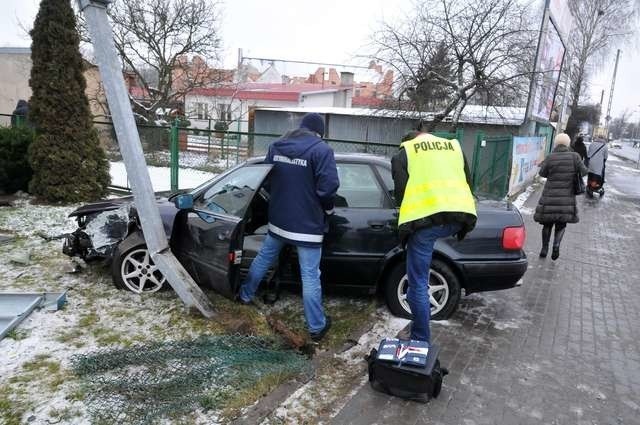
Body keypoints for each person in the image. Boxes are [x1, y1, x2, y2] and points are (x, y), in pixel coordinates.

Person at [237, 113, 339, 342]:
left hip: (279, 220)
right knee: (310, 275)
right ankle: (316, 327)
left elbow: (267, 179)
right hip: (307, 226)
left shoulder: (277, 145)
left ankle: (245, 295)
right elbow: (328, 187)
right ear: (318, 132)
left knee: (263, 258)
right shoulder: (322, 151)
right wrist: (328, 209)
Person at [391, 130, 477, 343]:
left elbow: (401, 193)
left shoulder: (406, 152)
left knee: (417, 283)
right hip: (459, 215)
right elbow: (467, 180)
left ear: (408, 141)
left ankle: (420, 336)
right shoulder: (453, 147)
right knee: (419, 280)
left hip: (425, 223)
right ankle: (418, 322)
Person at [534, 133, 588, 260]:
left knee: (547, 224)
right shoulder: (575, 156)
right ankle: (556, 246)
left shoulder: (551, 157)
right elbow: (584, 171)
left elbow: (542, 173)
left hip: (549, 196)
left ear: (556, 143)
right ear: (568, 143)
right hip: (566, 197)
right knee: (561, 224)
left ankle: (544, 248)